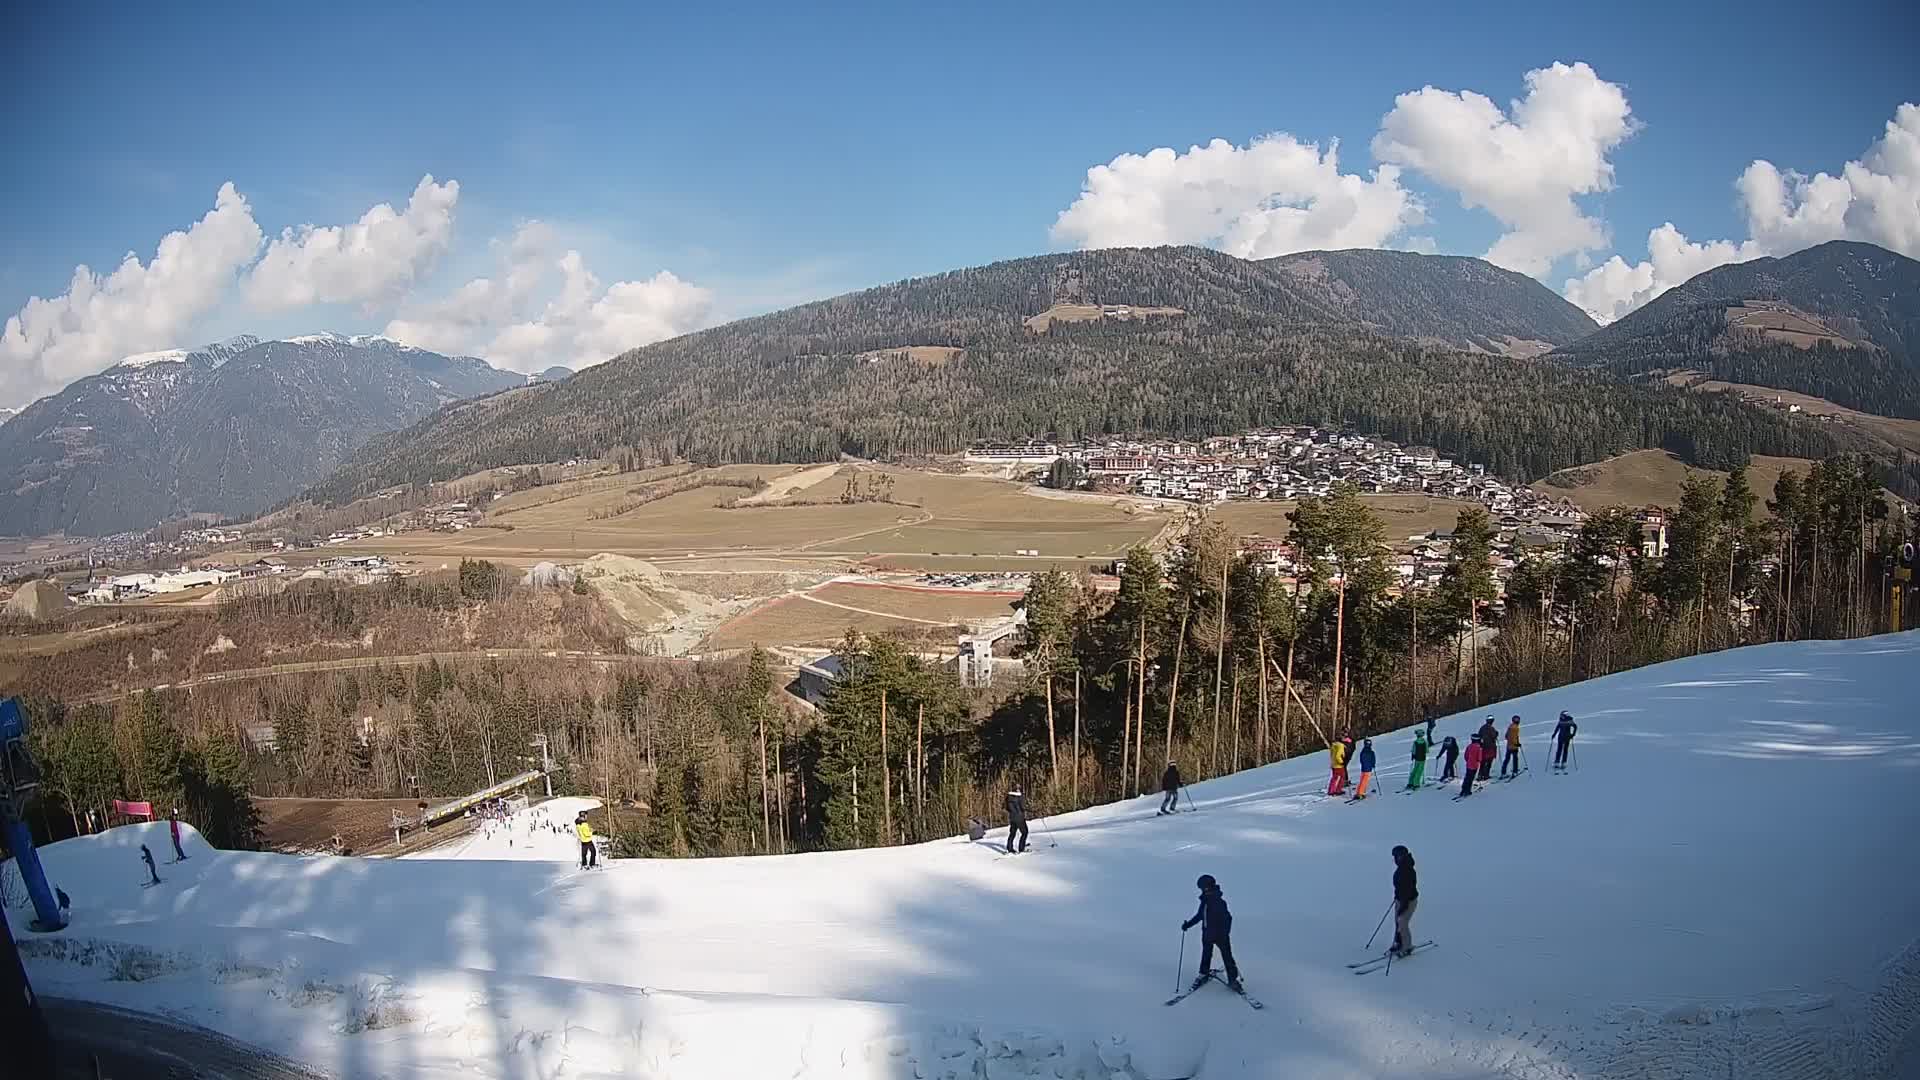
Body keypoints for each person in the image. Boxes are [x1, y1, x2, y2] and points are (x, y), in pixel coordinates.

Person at [1181, 873, 1241, 992]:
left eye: (1202, 888)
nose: (1201, 890)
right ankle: (1203, 974)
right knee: (1206, 955)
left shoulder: (1219, 902)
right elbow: (1200, 916)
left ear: (1207, 887)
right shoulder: (1205, 901)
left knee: (1227, 956)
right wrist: (1188, 924)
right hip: (1207, 934)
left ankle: (1233, 980)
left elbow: (1228, 918)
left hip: (1220, 936)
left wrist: (1225, 932)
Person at [1390, 845, 1418, 957]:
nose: (1396, 859)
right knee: (1398, 922)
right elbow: (1399, 887)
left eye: (1398, 856)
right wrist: (1397, 897)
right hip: (1400, 899)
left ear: (1404, 856)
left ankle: (1407, 947)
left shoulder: (1408, 870)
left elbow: (1408, 889)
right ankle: (1398, 943)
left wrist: (1403, 906)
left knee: (1402, 923)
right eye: (1395, 856)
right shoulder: (1401, 867)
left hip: (1409, 901)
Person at [1005, 788, 1030, 854]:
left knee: (1012, 833)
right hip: (1020, 818)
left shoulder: (1008, 797)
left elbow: (1007, 808)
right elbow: (1023, 807)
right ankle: (1021, 848)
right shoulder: (1019, 797)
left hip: (1012, 818)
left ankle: (1009, 848)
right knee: (1025, 832)